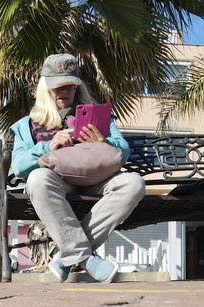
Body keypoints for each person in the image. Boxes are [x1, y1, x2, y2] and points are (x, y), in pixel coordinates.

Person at [9, 53, 145, 283]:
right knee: (37, 179)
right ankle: (85, 258)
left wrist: (103, 141)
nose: (64, 92)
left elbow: (123, 150)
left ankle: (67, 256)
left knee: (133, 183)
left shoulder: (98, 116)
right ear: (45, 88)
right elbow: (19, 166)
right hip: (58, 182)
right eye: (58, 87)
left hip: (97, 179)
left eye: (70, 86)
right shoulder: (27, 125)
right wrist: (48, 146)